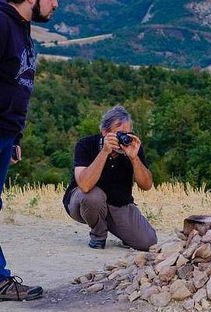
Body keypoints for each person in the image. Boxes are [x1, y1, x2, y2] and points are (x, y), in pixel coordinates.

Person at [0, 0, 58, 301]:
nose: (56, 4)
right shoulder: (1, 23)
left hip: (6, 132)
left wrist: (15, 136)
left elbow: (16, 85)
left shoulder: (20, 27)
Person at [62, 106, 158, 251]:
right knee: (93, 197)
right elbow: (85, 185)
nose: (124, 138)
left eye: (128, 133)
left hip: (118, 204)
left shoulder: (133, 147)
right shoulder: (86, 144)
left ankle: (123, 233)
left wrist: (134, 158)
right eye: (120, 133)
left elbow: (147, 185)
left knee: (148, 242)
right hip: (82, 203)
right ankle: (98, 235)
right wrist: (105, 152)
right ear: (105, 132)